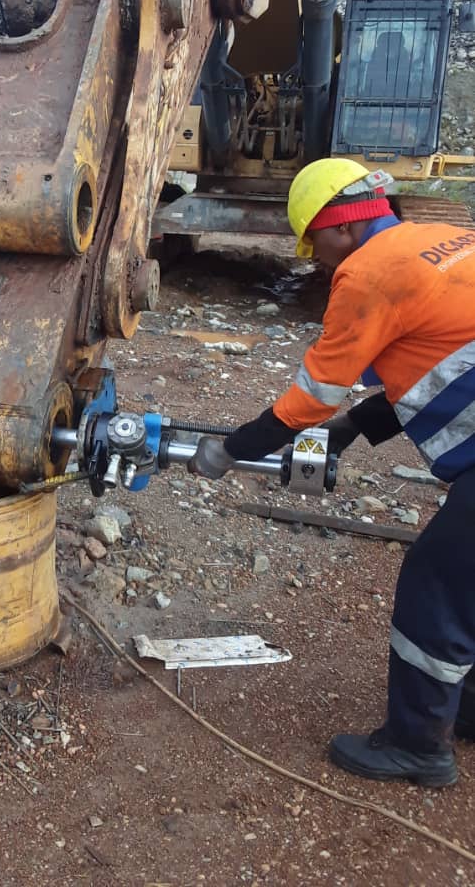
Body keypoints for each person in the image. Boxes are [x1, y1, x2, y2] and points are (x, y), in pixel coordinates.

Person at [188, 156, 475, 787]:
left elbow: (310, 399)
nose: (314, 259)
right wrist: (352, 429)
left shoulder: (368, 273)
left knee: (437, 587)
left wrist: (227, 452)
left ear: (342, 226)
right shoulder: (446, 240)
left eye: (312, 242)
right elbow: (439, 363)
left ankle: (418, 747)